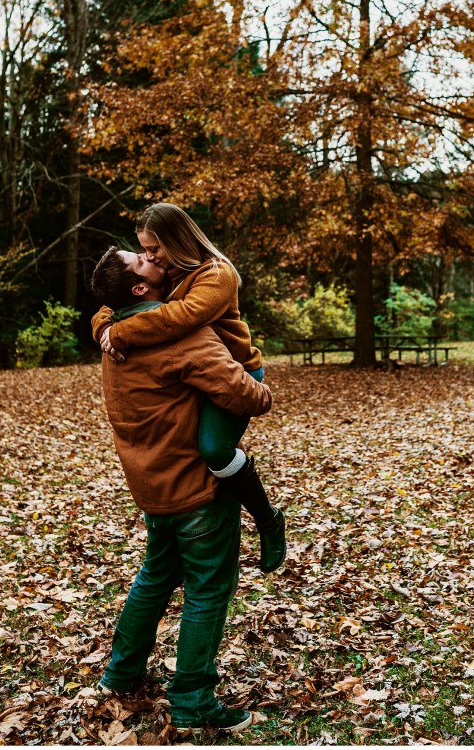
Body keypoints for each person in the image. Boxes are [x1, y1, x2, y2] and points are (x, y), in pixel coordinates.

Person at [90, 245, 273, 734]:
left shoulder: (115, 336)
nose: (158, 261)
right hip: (195, 487)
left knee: (154, 577)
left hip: (151, 485)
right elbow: (242, 394)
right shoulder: (182, 336)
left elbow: (105, 316)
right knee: (208, 590)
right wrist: (263, 389)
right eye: (146, 261)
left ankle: (121, 674)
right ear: (139, 287)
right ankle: (193, 700)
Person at [92, 202, 286, 573]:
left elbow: (181, 318)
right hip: (198, 374)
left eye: (154, 249)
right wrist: (104, 328)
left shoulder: (216, 274)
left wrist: (120, 331)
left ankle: (267, 518)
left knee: (214, 450)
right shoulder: (164, 275)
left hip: (236, 372)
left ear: (177, 239)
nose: (150, 256)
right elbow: (110, 305)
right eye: (145, 251)